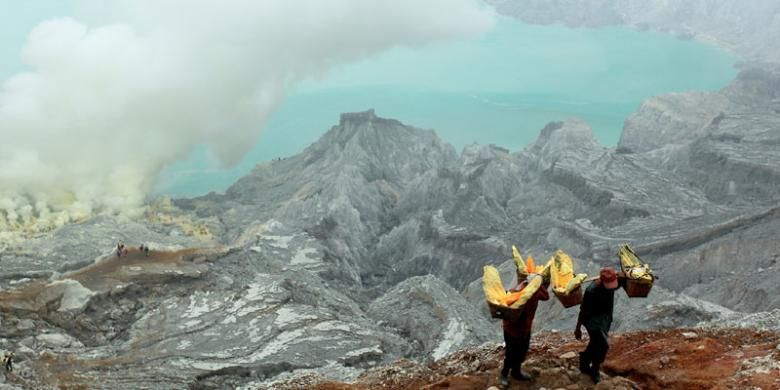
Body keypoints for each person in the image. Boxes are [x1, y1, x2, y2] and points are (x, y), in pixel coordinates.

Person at [575, 267, 624, 383]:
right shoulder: (591, 291)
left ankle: (584, 360)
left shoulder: (614, 281)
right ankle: (595, 369)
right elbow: (583, 310)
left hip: (605, 317)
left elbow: (625, 280)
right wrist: (578, 328)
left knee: (595, 343)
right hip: (592, 320)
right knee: (603, 345)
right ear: (602, 281)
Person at [500, 273, 549, 386]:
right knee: (511, 353)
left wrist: (539, 285)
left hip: (525, 328)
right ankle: (504, 374)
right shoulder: (516, 292)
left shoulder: (535, 292)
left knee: (522, 352)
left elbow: (546, 297)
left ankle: (516, 372)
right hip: (511, 330)